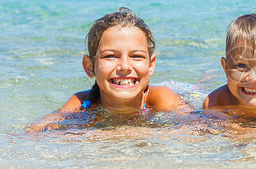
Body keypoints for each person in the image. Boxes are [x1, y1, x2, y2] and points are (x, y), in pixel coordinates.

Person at [29, 8, 184, 131]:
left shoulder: (161, 98)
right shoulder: (83, 103)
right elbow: (35, 131)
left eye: (136, 56)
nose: (124, 66)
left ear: (151, 66)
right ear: (90, 67)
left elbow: (195, 129)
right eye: (110, 56)